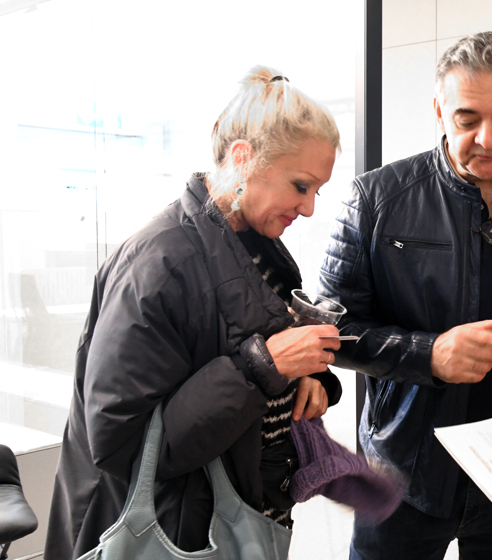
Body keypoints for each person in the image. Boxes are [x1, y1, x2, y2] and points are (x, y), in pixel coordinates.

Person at [319, 31, 492, 560]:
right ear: (439, 110)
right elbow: (332, 329)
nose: (488, 138)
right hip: (406, 473)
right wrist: (429, 354)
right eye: (467, 119)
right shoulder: (376, 200)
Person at [47, 67, 345, 558]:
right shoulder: (159, 263)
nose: (309, 208)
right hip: (176, 533)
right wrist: (263, 367)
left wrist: (307, 377)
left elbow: (256, 357)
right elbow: (122, 444)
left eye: (317, 190)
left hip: (241, 521)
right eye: (300, 186)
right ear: (243, 158)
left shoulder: (258, 245)